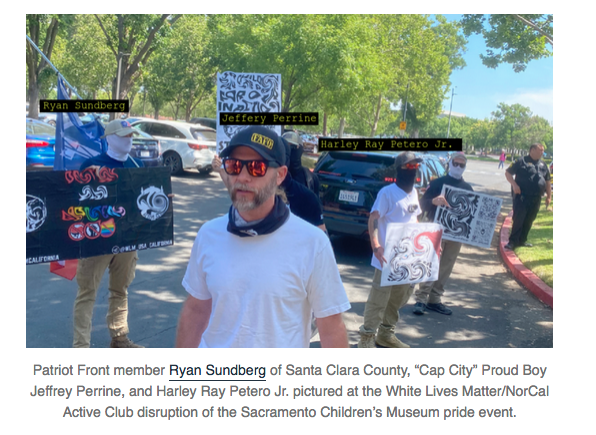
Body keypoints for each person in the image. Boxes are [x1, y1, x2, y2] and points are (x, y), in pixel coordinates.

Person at [176, 126, 350, 348]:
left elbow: (331, 327)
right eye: (234, 166)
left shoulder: (313, 243)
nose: (243, 177)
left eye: (256, 168)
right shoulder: (208, 234)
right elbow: (196, 309)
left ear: (280, 175)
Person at [73, 119, 144, 348]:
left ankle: (119, 337)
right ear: (110, 139)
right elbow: (76, 202)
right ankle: (81, 347)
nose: (129, 140)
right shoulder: (91, 165)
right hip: (97, 239)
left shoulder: (138, 165)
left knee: (120, 290)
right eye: (124, 135)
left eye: (131, 135)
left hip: (127, 238)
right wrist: (89, 178)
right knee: (87, 293)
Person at [358, 152, 422, 349]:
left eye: (415, 166)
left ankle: (386, 334)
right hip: (386, 257)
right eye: (409, 166)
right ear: (399, 169)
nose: (413, 170)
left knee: (398, 297)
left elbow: (415, 220)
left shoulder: (414, 193)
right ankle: (367, 338)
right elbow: (374, 218)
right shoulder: (387, 193)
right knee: (379, 298)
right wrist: (375, 245)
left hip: (405, 257)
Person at [413, 152, 473, 316]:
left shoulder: (468, 189)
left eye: (462, 165)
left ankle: (434, 300)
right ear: (450, 163)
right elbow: (421, 204)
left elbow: (472, 215)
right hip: (437, 230)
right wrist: (433, 201)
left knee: (446, 267)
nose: (458, 167)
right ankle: (421, 299)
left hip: (456, 235)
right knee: (431, 263)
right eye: (456, 163)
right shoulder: (438, 183)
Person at [504, 143, 552, 250]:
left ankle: (522, 240)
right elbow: (508, 173)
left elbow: (548, 182)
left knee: (529, 219)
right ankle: (512, 241)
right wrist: (514, 185)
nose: (542, 153)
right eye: (540, 150)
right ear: (532, 150)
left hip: (536, 198)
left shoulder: (543, 165)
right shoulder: (521, 161)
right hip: (522, 197)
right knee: (518, 219)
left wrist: (549, 196)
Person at [282, 131, 320, 197]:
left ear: (300, 150)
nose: (288, 151)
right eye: (284, 147)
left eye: (292, 147)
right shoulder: (273, 176)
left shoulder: (311, 179)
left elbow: (316, 204)